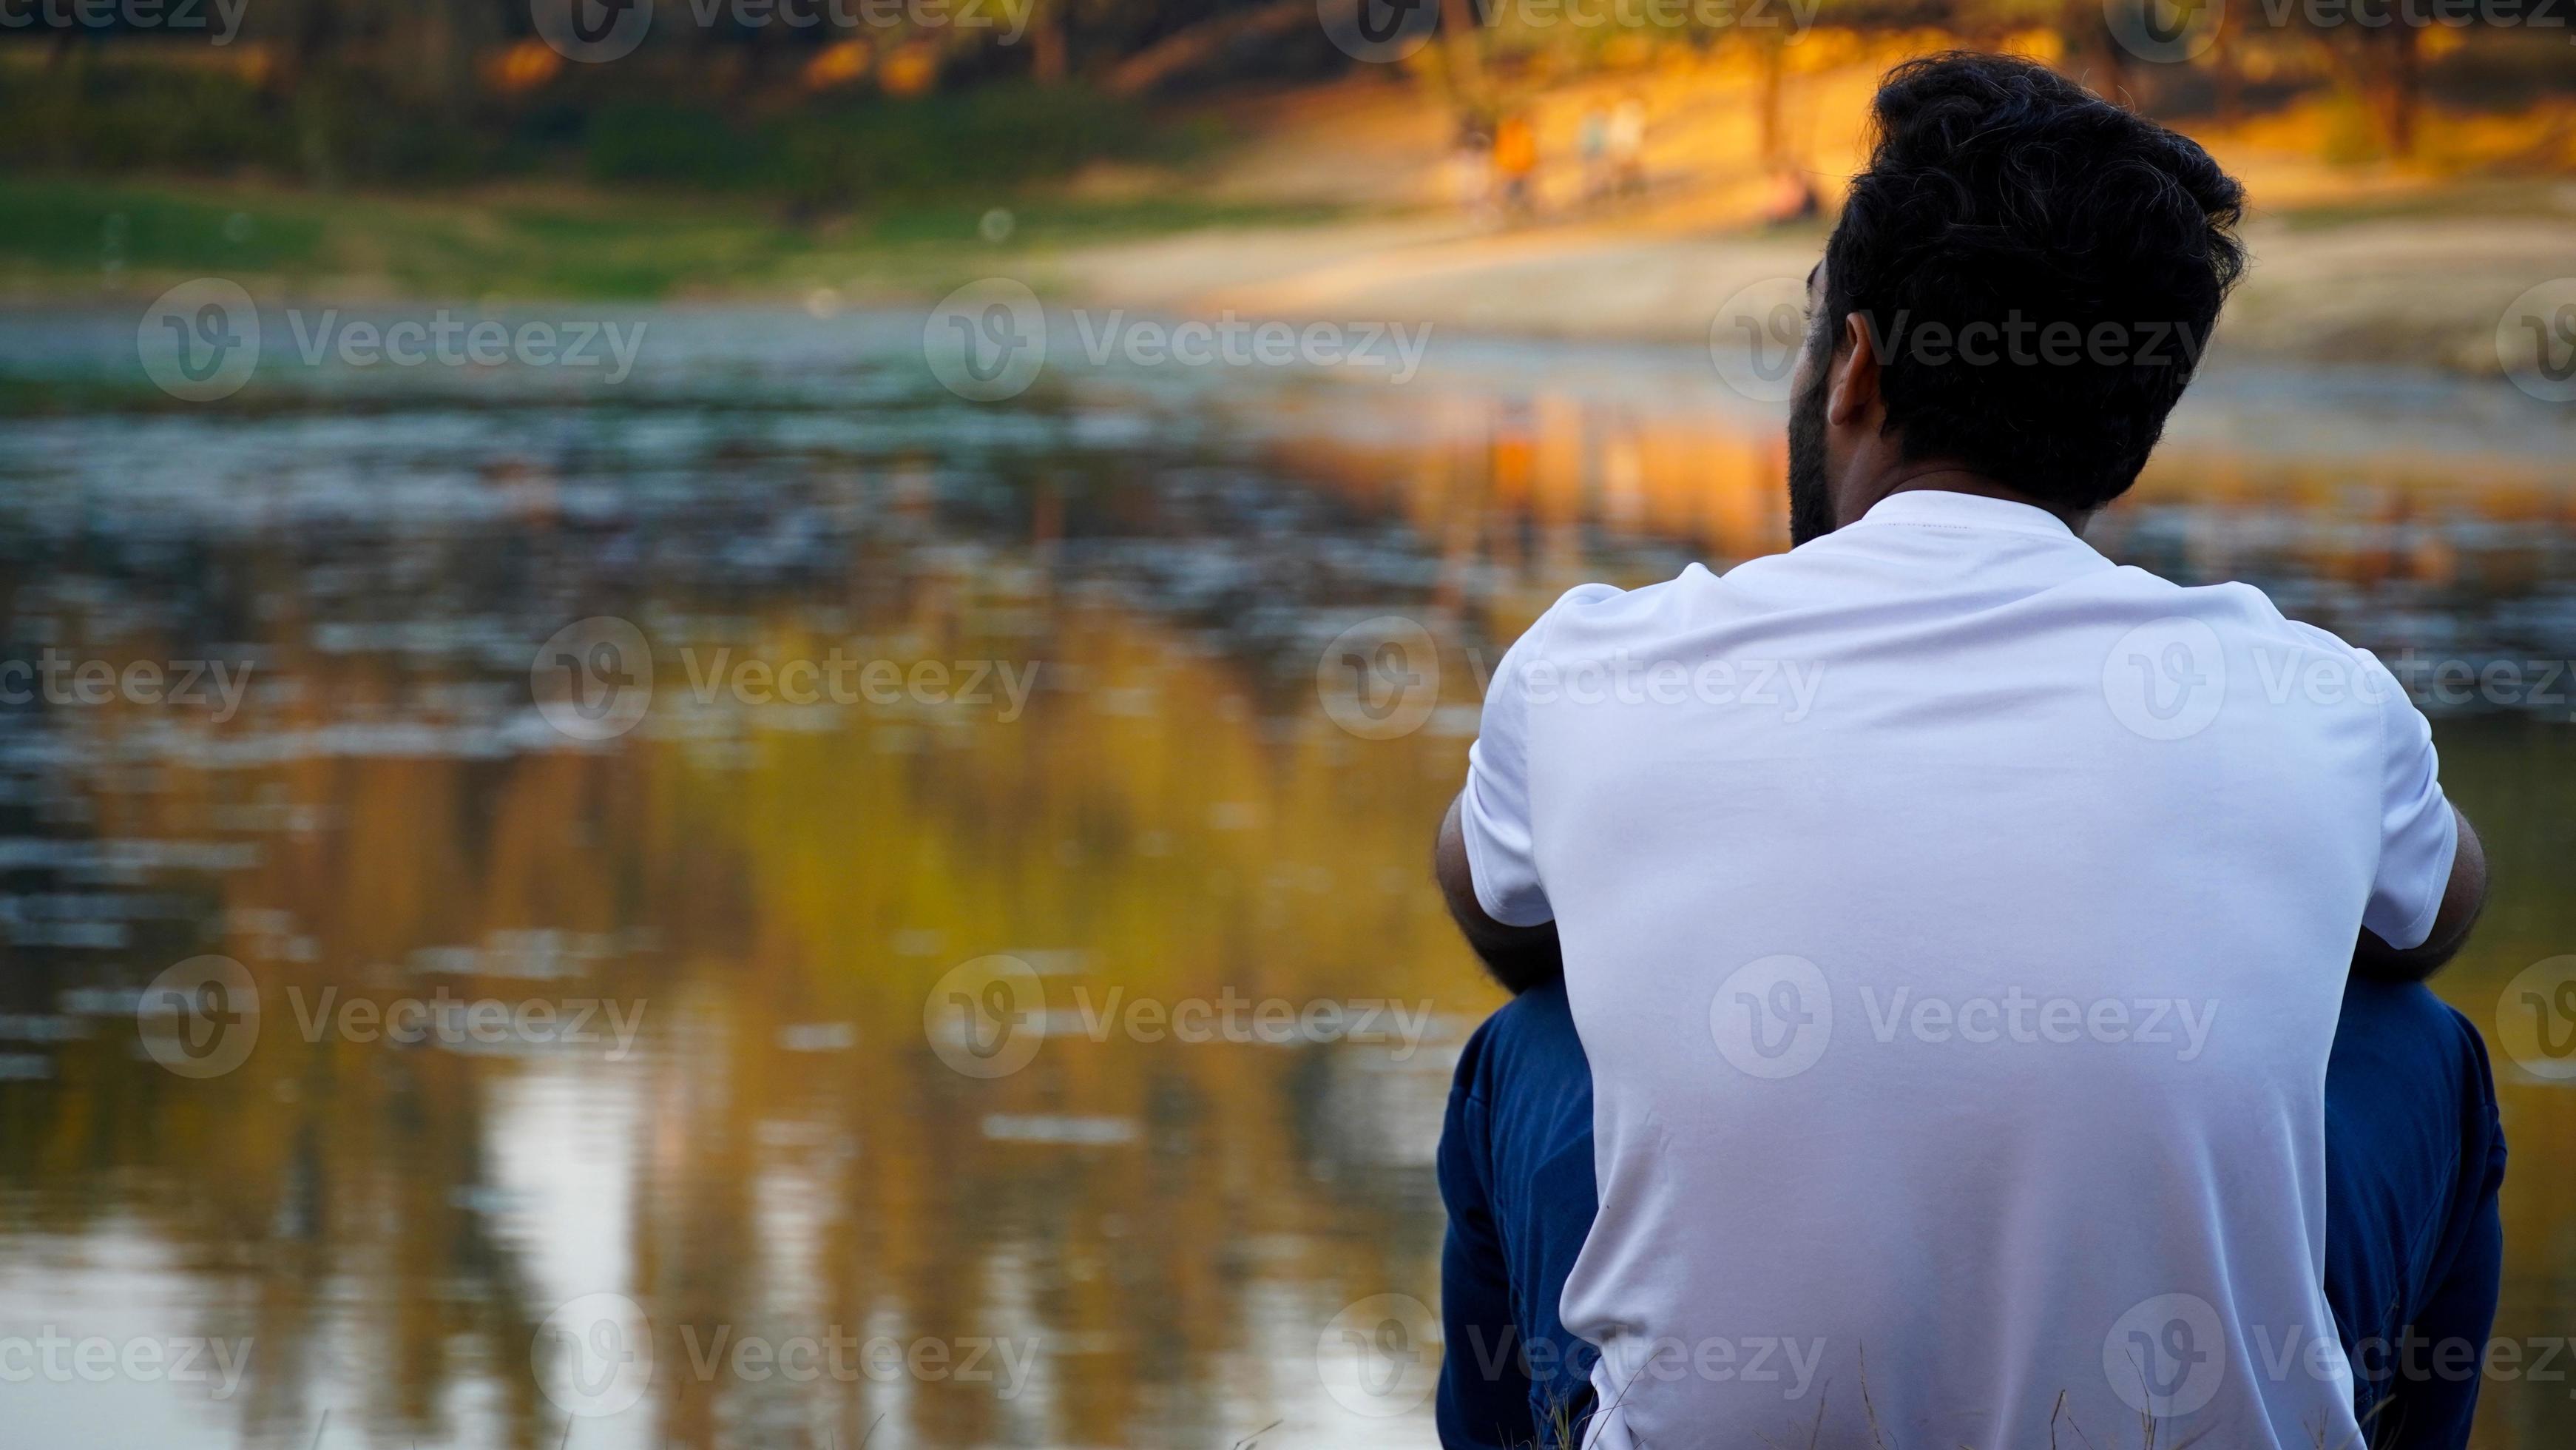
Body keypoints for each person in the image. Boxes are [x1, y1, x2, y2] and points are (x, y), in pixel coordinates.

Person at [1430, 53, 2504, 1450]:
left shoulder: (1592, 664)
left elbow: (1504, 918)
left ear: (1856, 368)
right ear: (2131, 439)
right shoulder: (2323, 699)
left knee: (1529, 1047)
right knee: (2419, 1049)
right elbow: (2437, 920)